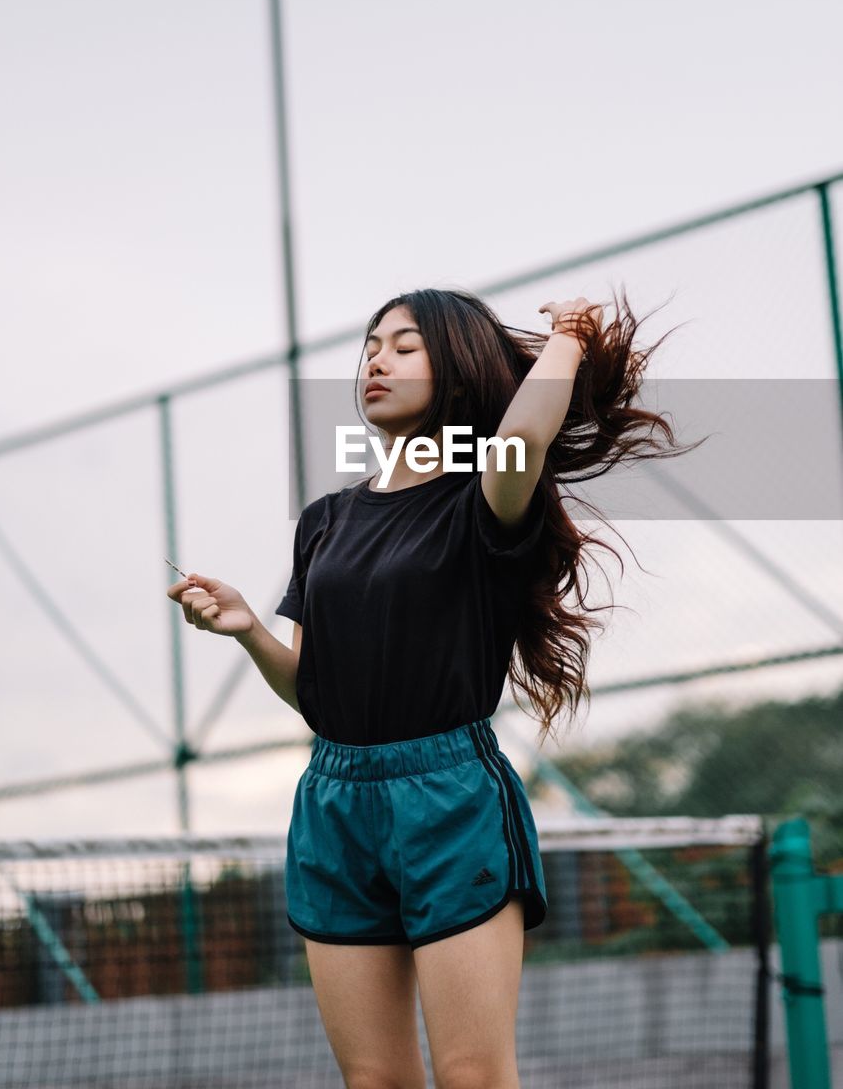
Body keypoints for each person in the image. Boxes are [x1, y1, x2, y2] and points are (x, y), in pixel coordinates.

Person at [167, 285, 703, 1089]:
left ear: (456, 371)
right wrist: (248, 628)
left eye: (404, 345)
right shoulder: (324, 520)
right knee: (375, 1080)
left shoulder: (485, 491)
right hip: (332, 801)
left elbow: (522, 435)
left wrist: (568, 338)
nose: (376, 360)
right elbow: (317, 696)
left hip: (449, 795)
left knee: (471, 1075)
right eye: (370, 347)